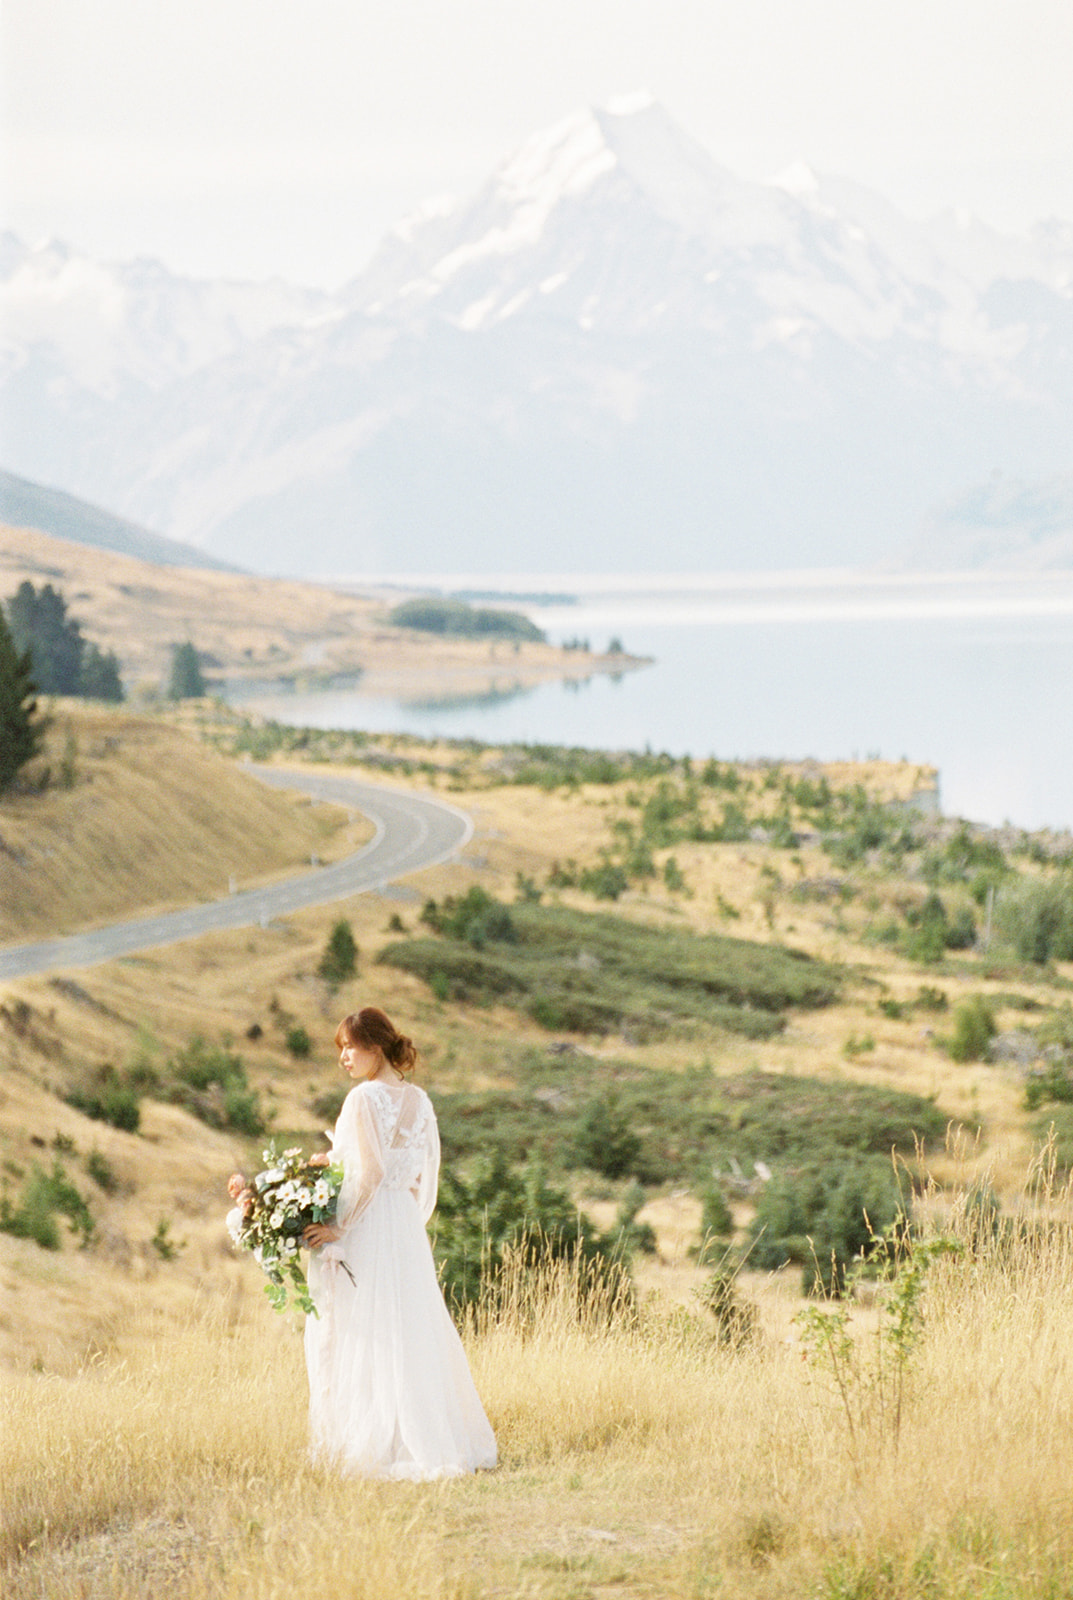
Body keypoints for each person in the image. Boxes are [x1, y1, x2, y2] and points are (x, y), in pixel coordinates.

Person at [301, 1006, 497, 1479]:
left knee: (360, 1328)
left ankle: (371, 1441)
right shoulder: (420, 1101)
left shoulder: (363, 1098)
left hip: (367, 1226)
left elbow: (371, 1172)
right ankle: (428, 1435)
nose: (344, 1057)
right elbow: (415, 1179)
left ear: (375, 1046)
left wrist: (339, 1227)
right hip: (404, 1226)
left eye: (350, 1047)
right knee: (409, 1328)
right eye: (340, 1049)